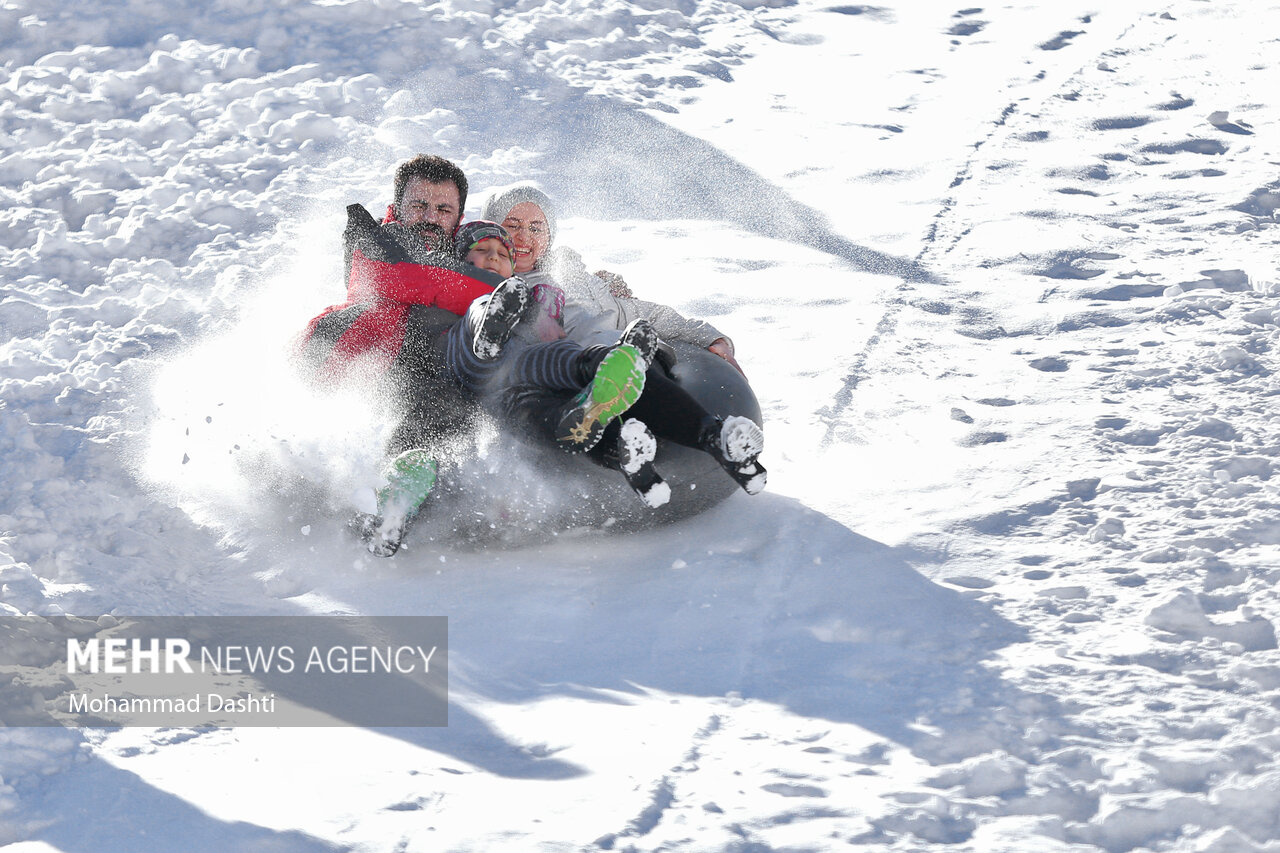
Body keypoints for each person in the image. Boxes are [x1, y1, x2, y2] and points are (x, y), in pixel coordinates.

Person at [474, 188, 766, 495]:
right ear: (493, 230)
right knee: (615, 369)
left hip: (624, 355)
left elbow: (636, 311)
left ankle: (719, 441)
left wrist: (710, 336)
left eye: (536, 228)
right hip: (574, 381)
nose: (524, 237)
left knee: (634, 357)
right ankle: (638, 461)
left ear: (550, 236)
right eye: (513, 225)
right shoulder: (492, 290)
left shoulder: (578, 280)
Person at [295, 154, 506, 555]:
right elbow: (409, 277)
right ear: (396, 207)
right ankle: (375, 498)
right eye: (419, 205)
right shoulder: (376, 240)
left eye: (443, 209)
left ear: (457, 217)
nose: (430, 216)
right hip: (359, 356)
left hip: (420, 365)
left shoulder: (463, 255)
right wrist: (499, 295)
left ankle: (394, 502)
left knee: (442, 418)